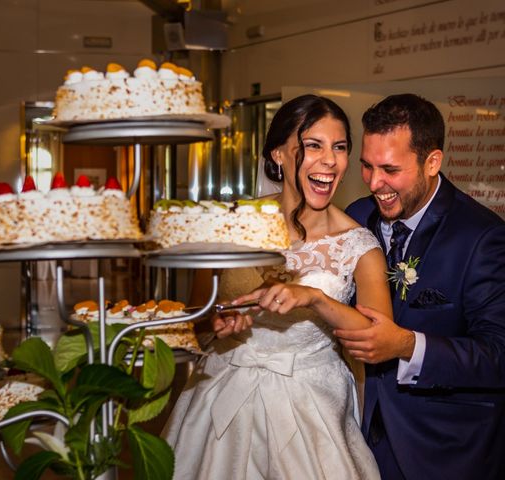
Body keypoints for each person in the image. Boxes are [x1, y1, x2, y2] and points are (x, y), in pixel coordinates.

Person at [163, 95, 392, 479]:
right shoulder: (229, 225)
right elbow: (195, 322)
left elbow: (378, 340)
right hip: (220, 396)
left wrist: (315, 299)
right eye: (313, 146)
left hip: (311, 407)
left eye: (339, 148)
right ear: (279, 155)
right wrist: (218, 326)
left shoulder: (359, 245)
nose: (330, 160)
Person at [335, 93, 505, 480]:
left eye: (390, 169)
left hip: (440, 451)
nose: (375, 183)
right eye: (366, 165)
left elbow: (499, 355)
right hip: (355, 436)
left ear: (432, 162)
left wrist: (408, 346)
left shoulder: (482, 237)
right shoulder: (356, 217)